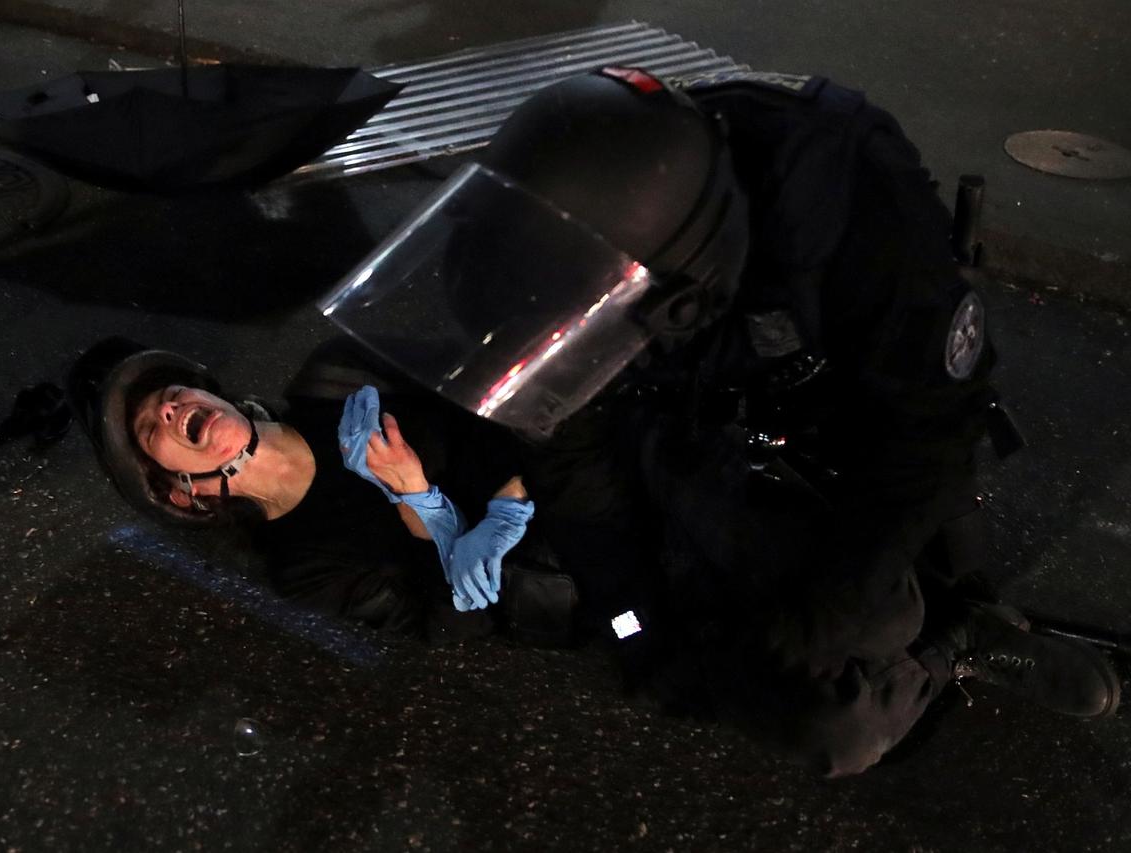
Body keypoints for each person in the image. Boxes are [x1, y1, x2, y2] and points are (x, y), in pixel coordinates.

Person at [314, 66, 1121, 776]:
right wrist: (633, 623)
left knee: (848, 657)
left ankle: (960, 637)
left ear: (684, 290)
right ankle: (923, 639)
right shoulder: (556, 225)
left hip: (860, 434)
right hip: (703, 433)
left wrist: (815, 619)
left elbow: (930, 436)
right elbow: (568, 452)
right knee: (778, 699)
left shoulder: (845, 204)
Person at [65, 336, 538, 642]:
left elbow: (505, 375)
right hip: (559, 580)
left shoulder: (338, 377)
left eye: (172, 394)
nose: (171, 408)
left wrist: (510, 499)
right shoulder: (304, 569)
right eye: (152, 429)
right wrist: (415, 497)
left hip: (564, 462)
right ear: (181, 494)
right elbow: (455, 627)